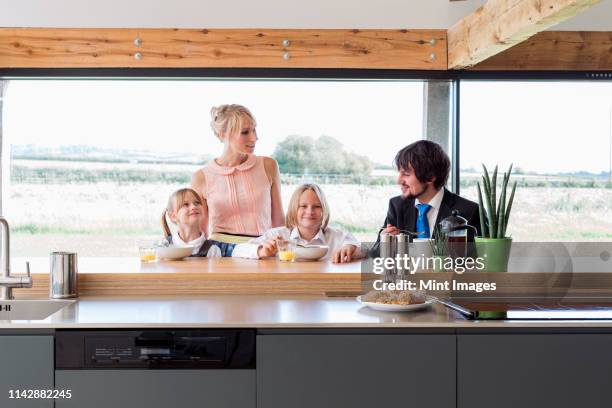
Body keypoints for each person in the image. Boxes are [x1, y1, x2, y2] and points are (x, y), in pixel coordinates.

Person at [191, 104, 284, 244]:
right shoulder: (201, 177)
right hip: (220, 252)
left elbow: (279, 222)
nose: (254, 138)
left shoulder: (268, 166)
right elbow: (200, 233)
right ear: (223, 135)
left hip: (262, 250)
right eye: (245, 132)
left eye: (254, 130)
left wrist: (281, 254)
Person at [374, 140, 481, 253]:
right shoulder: (397, 206)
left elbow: (482, 260)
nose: (399, 181)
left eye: (406, 174)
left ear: (430, 177)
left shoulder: (471, 211)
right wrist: (383, 242)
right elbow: (375, 255)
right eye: (399, 173)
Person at [232, 184, 363, 263]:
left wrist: (352, 248)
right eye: (303, 206)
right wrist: (262, 251)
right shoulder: (278, 235)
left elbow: (367, 250)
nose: (310, 211)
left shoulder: (337, 236)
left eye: (317, 206)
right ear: (294, 209)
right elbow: (237, 250)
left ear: (324, 210)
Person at [161, 188, 235, 257]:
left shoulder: (214, 249)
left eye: (196, 203)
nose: (193, 206)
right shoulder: (164, 247)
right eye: (186, 204)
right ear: (173, 216)